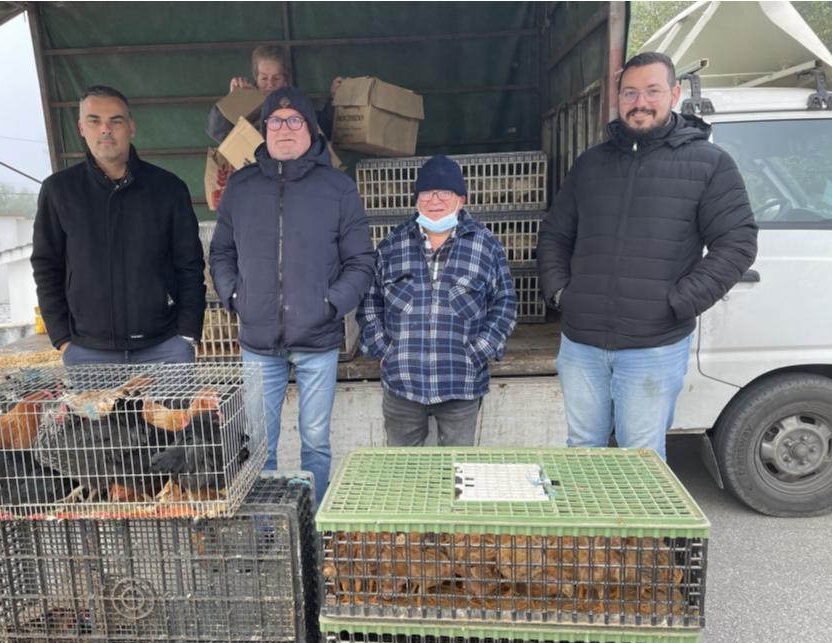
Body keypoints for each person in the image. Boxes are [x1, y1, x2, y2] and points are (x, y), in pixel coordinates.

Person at [537, 52, 758, 460]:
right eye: (630, 93)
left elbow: (737, 242)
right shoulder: (591, 164)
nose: (640, 102)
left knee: (641, 456)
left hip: (653, 345)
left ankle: (639, 508)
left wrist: (677, 302)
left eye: (652, 91)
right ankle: (590, 507)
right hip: (581, 341)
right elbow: (555, 233)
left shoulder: (709, 164)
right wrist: (562, 293)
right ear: (618, 98)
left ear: (674, 94)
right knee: (582, 448)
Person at [208, 86, 374, 505]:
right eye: (275, 121)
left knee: (315, 441)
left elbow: (361, 261)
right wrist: (235, 297)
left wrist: (330, 305)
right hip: (258, 342)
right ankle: (268, 527)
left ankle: (311, 522)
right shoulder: (241, 187)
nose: (284, 128)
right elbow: (221, 252)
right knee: (259, 443)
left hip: (318, 339)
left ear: (311, 129)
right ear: (264, 129)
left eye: (295, 120)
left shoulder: (337, 188)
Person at [32, 84, 205, 365]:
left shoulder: (168, 188)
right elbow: (46, 266)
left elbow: (190, 265)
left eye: (116, 121)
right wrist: (62, 338)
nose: (105, 129)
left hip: (164, 345)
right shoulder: (59, 191)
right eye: (94, 121)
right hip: (88, 349)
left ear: (131, 128)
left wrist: (187, 333)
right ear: (81, 128)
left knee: (172, 403)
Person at [359, 155, 516, 446]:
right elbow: (370, 302)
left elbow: (504, 304)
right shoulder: (392, 245)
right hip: (402, 383)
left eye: (444, 192)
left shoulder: (485, 245)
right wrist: (385, 351)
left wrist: (479, 352)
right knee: (402, 467)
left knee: (457, 466)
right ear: (416, 199)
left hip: (461, 381)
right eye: (427, 192)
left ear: (461, 199)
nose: (435, 200)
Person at [206, 45, 340, 143]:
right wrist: (232, 101)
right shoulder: (245, 107)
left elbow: (325, 129)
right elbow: (217, 132)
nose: (270, 84)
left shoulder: (298, 105)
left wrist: (335, 99)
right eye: (264, 78)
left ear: (286, 80)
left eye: (276, 78)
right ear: (256, 79)